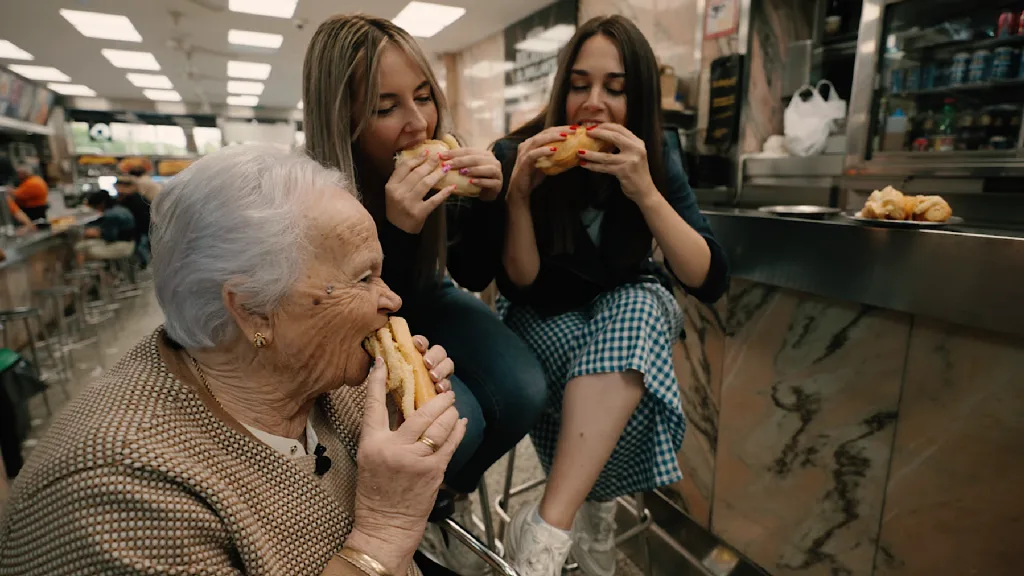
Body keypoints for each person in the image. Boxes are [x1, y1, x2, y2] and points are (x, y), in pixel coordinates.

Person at [0, 144, 469, 575]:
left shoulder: (316, 375)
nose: (391, 300)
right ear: (252, 310)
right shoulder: (117, 493)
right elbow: (382, 529)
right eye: (364, 278)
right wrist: (385, 530)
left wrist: (400, 433)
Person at [303, 15, 547, 574]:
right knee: (459, 423)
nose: (418, 123)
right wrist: (393, 230)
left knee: (524, 387)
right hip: (360, 318)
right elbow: (350, 308)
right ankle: (417, 509)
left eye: (423, 97)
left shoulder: (437, 163)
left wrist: (492, 202)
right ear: (341, 116)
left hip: (427, 291)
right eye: (386, 108)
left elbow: (474, 271)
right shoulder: (314, 194)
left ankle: (441, 495)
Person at [492, 16, 729, 576]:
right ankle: (593, 512)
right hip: (540, 314)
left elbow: (708, 277)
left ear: (639, 96)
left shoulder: (656, 152)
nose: (593, 103)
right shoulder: (516, 151)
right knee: (612, 370)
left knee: (643, 309)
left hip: (620, 309)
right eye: (580, 85)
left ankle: (549, 529)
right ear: (562, 89)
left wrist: (645, 189)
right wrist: (519, 198)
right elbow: (520, 282)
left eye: (615, 89)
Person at [73, 190, 136, 265]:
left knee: (88, 250)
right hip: (127, 242)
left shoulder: (111, 215)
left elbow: (110, 237)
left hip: (124, 246)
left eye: (94, 207)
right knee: (80, 246)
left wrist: (97, 233)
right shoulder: (118, 208)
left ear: (101, 204)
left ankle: (84, 271)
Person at [113, 175, 152, 267]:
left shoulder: (134, 199)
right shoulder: (132, 197)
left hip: (140, 231)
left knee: (141, 252)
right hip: (141, 231)